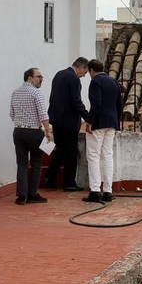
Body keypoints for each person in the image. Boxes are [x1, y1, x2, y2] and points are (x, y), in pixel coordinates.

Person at [8, 66, 54, 205]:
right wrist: (48, 131)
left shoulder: (15, 93)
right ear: (30, 78)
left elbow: (12, 114)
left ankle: (21, 195)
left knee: (21, 163)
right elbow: (43, 114)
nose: (41, 79)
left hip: (18, 130)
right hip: (34, 131)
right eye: (39, 77)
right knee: (35, 163)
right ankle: (32, 193)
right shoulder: (36, 93)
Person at [43, 56, 89, 192]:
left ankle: (50, 178)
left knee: (60, 150)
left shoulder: (59, 74)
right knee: (71, 152)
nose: (84, 75)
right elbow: (76, 101)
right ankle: (69, 183)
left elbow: (54, 97)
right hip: (68, 121)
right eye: (84, 72)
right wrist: (88, 116)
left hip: (56, 119)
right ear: (81, 68)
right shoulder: (73, 79)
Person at [83, 58, 121, 203]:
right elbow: (119, 104)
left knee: (93, 155)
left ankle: (94, 191)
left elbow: (96, 103)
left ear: (92, 70)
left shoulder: (95, 82)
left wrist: (90, 121)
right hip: (111, 122)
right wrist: (116, 121)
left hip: (98, 122)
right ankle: (108, 190)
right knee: (108, 156)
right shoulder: (113, 81)